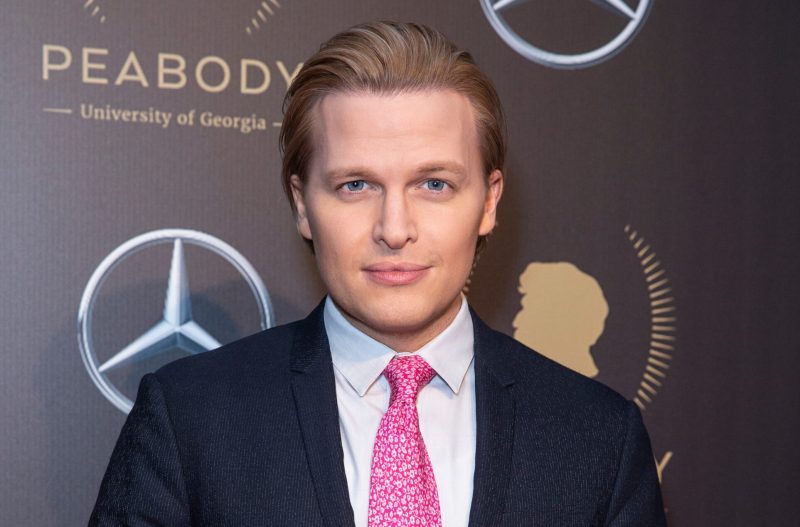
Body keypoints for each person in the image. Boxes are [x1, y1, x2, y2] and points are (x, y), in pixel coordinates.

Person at [89, 21, 666, 526]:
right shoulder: (190, 418)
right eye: (356, 185)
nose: (394, 228)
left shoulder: (598, 439)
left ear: (489, 202)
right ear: (301, 203)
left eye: (434, 184)